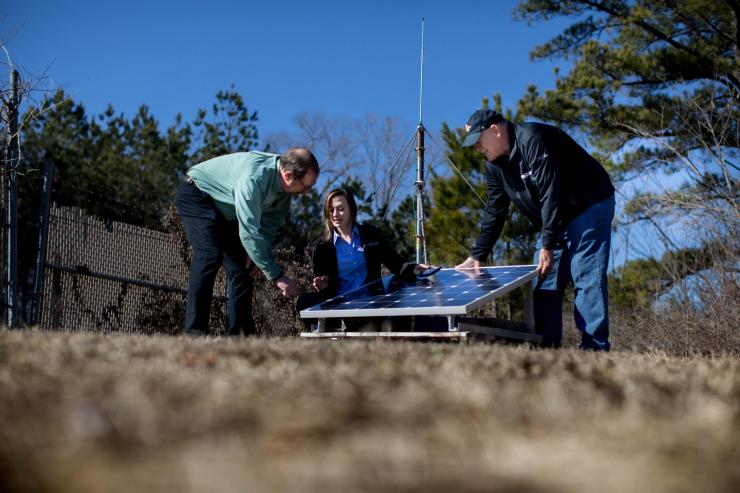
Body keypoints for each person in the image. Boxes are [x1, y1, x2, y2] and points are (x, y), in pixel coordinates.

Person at [456, 108, 615, 350]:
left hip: (588, 205)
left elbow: (552, 192)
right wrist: (477, 254)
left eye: (478, 141)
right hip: (553, 219)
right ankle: (547, 348)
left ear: (495, 130)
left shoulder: (533, 138)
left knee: (585, 275)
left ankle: (594, 349)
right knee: (542, 279)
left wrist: (548, 244)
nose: (477, 149)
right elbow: (495, 210)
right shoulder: (493, 166)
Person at [175, 148, 319, 336]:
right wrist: (277, 276)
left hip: (226, 212)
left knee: (243, 269)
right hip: (198, 195)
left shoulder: (284, 193)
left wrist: (259, 258)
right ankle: (195, 332)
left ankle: (240, 336)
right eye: (306, 186)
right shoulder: (253, 178)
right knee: (210, 255)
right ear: (288, 175)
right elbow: (249, 231)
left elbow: (267, 228)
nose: (307, 192)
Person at [297, 188, 427, 331]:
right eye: (331, 210)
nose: (335, 214)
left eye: (340, 209)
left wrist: (412, 268)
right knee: (305, 301)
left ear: (352, 209)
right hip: (339, 303)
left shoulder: (371, 234)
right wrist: (322, 284)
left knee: (398, 292)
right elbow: (324, 282)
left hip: (371, 300)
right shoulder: (322, 247)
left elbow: (395, 262)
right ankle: (330, 335)